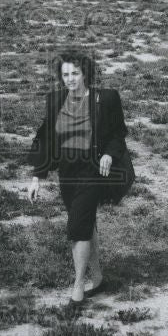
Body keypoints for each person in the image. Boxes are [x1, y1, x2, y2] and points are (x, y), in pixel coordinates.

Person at [27, 50, 129, 305]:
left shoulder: (105, 99)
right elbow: (46, 139)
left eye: (75, 73)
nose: (70, 79)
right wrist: (37, 177)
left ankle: (78, 287)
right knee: (85, 222)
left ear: (85, 73)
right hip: (67, 172)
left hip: (92, 171)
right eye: (65, 75)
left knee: (76, 229)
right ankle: (97, 277)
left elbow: (118, 133)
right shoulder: (55, 100)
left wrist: (109, 154)